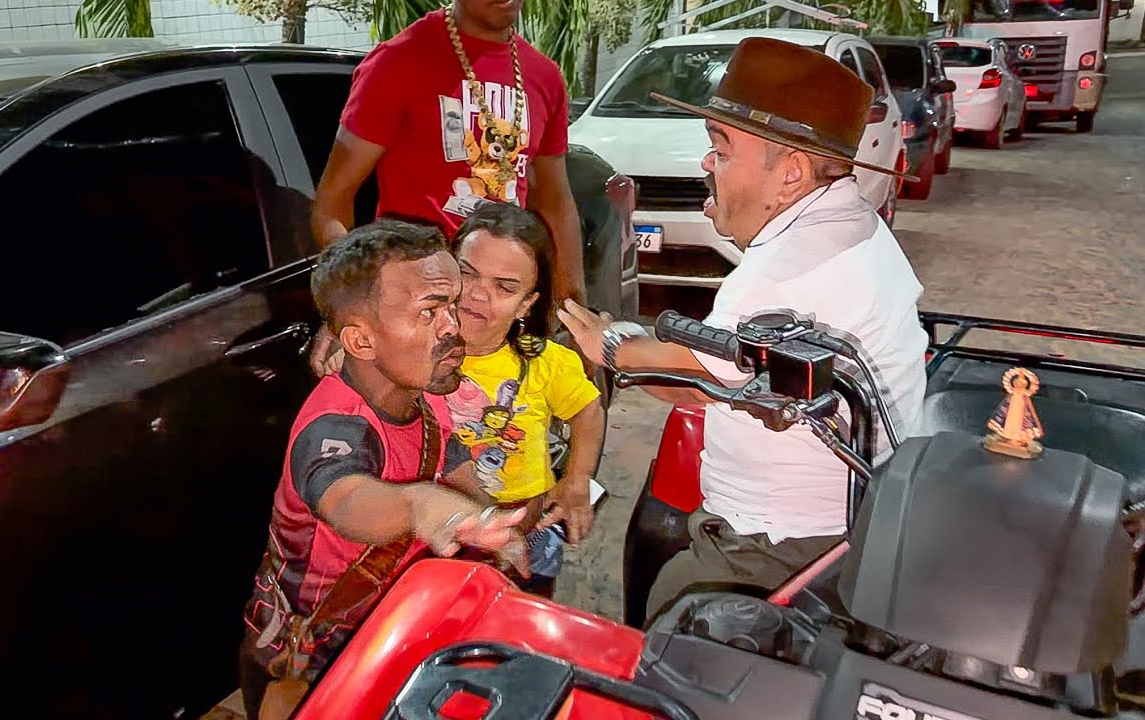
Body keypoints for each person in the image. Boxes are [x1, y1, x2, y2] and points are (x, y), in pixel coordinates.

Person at [555, 37, 929, 621]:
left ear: (792, 173)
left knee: (675, 612)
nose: (708, 164)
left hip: (779, 539)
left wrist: (608, 343)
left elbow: (692, 380)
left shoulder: (779, 272)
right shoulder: (852, 220)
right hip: (851, 508)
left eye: (722, 151)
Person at [238, 219, 530, 720]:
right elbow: (347, 498)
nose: (454, 327)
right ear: (361, 341)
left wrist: (487, 523)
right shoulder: (337, 426)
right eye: (430, 312)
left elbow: (455, 465)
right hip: (309, 662)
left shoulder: (426, 394)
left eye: (453, 304)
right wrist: (421, 506)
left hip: (386, 633)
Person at [308, 0, 584, 374]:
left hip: (498, 321)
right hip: (415, 322)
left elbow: (556, 203)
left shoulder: (544, 76)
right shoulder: (398, 61)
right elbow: (331, 201)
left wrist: (574, 309)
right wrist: (351, 304)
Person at [447, 203, 606, 597]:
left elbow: (588, 409)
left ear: (526, 304)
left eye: (504, 287)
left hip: (525, 531)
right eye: (467, 274)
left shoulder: (545, 362)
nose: (478, 295)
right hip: (439, 533)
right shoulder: (413, 350)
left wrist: (577, 479)